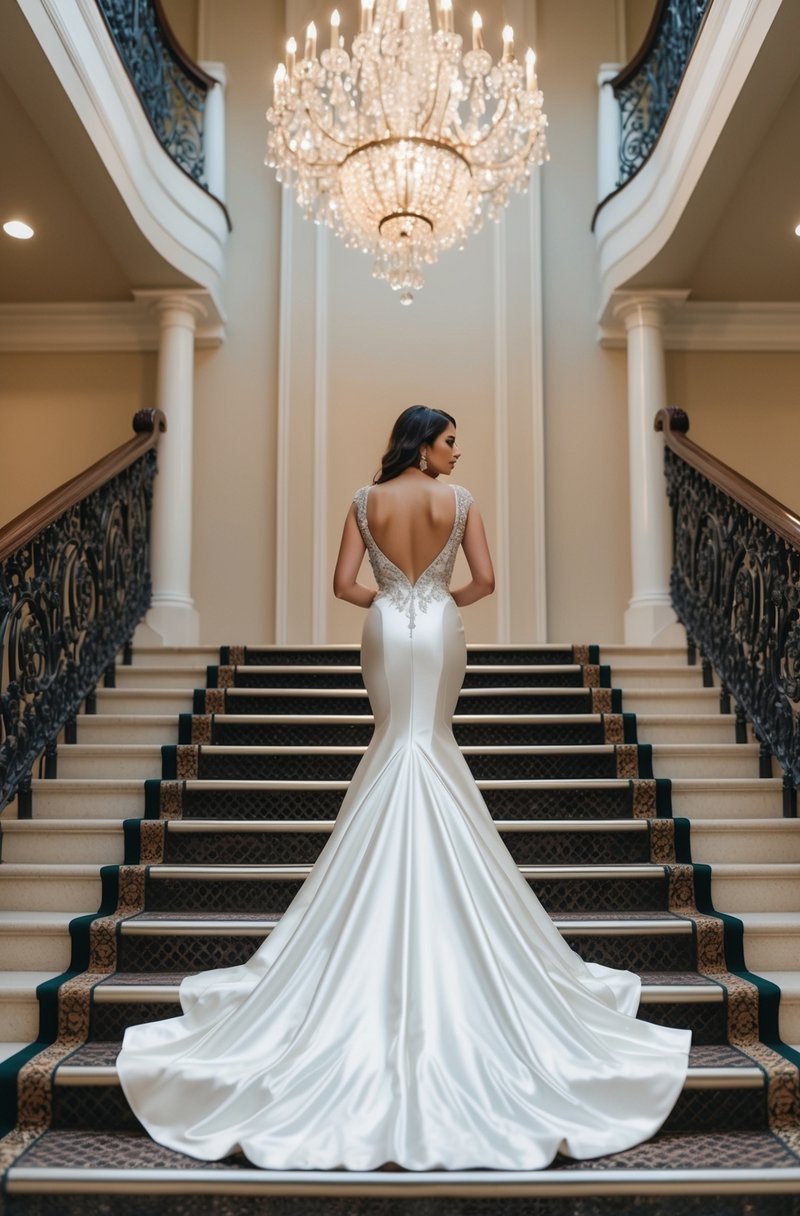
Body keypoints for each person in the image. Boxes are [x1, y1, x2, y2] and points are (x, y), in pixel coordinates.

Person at [117, 405, 690, 1170]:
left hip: (386, 627)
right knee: (430, 741)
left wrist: (393, 601)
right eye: (451, 440)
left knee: (394, 743)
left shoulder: (364, 499)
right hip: (437, 631)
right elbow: (484, 580)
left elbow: (340, 584)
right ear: (424, 442)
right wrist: (438, 605)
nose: (458, 452)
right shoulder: (461, 504)